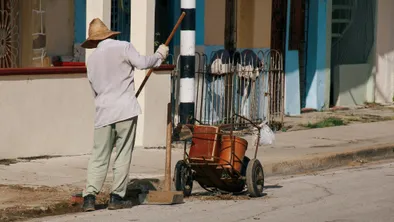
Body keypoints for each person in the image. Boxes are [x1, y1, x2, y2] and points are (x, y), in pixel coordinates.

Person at [80, 18, 169, 212]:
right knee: (122, 154)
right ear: (109, 34)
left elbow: (94, 89)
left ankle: (89, 197)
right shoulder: (123, 46)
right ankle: (116, 197)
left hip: (103, 112)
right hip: (124, 110)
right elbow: (143, 63)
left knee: (98, 155)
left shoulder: (92, 60)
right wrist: (159, 55)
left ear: (94, 41)